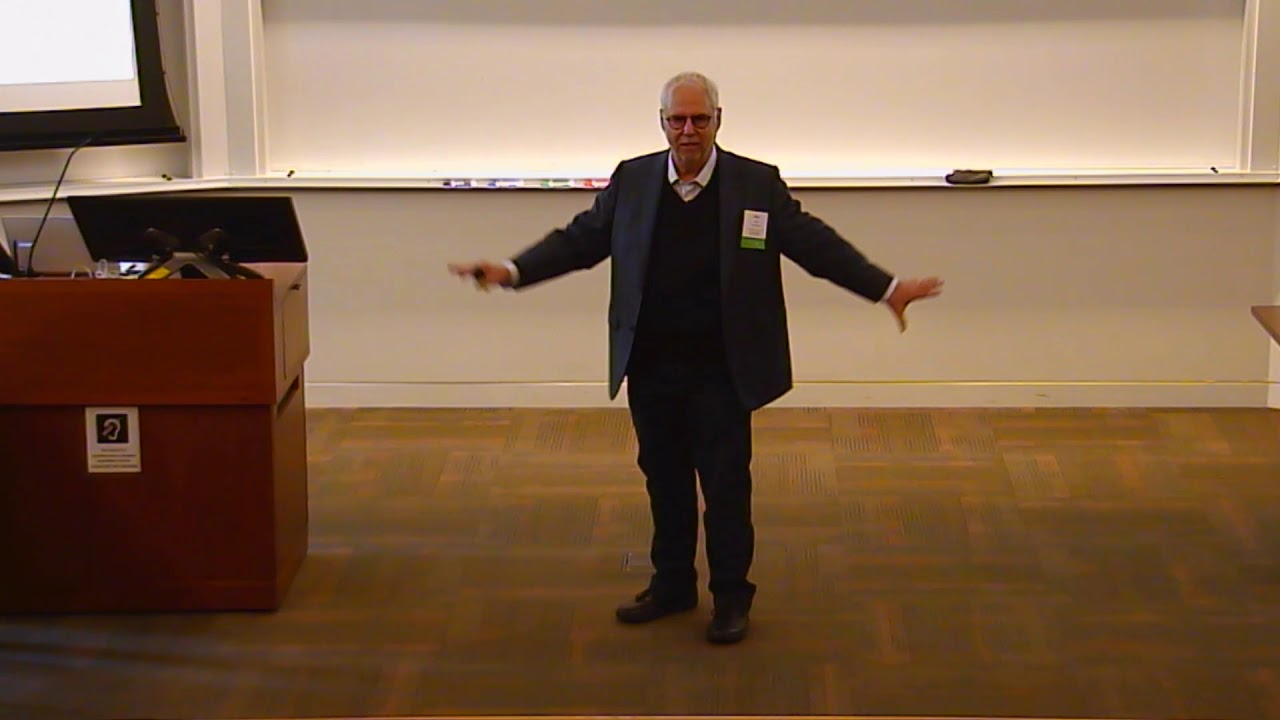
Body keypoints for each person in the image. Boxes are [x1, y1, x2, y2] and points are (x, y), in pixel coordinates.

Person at [448, 71, 943, 645]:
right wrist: (512, 270)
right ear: (662, 123)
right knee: (664, 480)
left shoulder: (754, 183)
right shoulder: (633, 180)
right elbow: (580, 240)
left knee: (726, 486)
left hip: (722, 367)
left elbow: (815, 245)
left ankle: (731, 596)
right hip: (651, 362)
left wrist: (886, 288)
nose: (688, 131)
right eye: (677, 120)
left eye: (699, 120)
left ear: (717, 121)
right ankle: (672, 585)